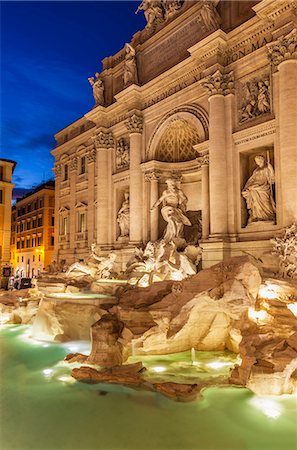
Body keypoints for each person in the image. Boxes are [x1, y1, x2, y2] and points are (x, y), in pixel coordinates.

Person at [151, 178, 191, 243]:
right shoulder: (166, 192)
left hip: (176, 209)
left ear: (174, 184)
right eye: (169, 184)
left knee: (178, 223)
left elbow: (185, 199)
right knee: (171, 218)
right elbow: (160, 200)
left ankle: (174, 236)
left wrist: (181, 202)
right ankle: (174, 236)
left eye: (171, 184)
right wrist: (154, 206)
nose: (170, 186)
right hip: (167, 208)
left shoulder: (179, 191)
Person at [242, 155, 276, 224]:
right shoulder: (256, 170)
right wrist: (247, 187)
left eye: (258, 160)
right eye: (256, 161)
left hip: (264, 186)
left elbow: (272, 177)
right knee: (252, 194)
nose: (257, 162)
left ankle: (267, 216)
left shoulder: (267, 168)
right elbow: (252, 179)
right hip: (255, 185)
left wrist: (270, 168)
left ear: (262, 160)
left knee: (265, 201)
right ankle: (256, 216)